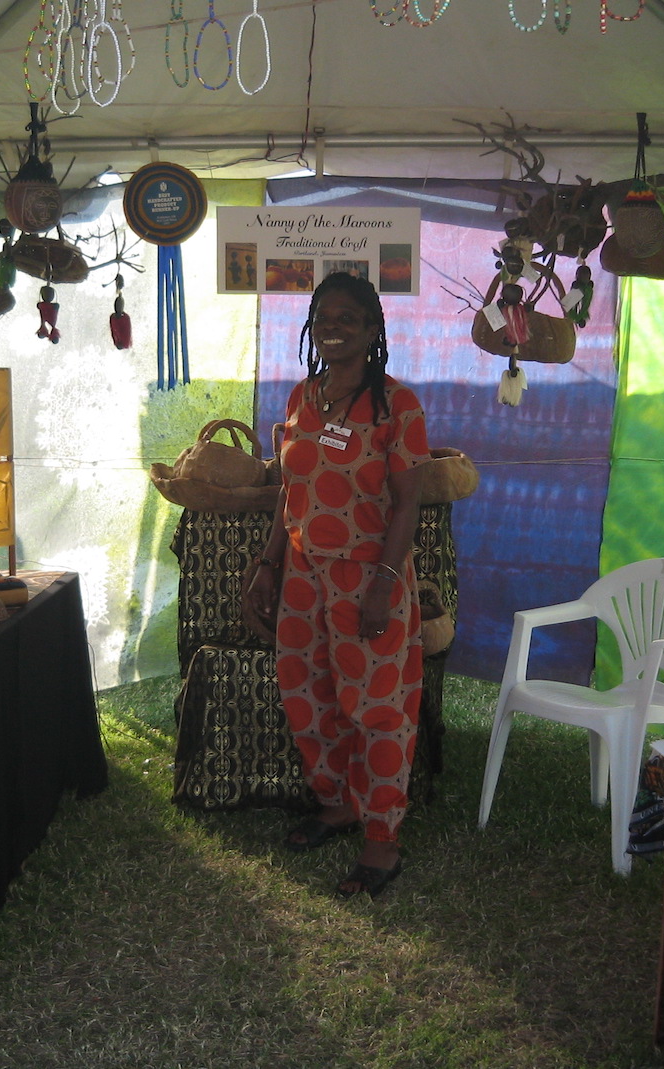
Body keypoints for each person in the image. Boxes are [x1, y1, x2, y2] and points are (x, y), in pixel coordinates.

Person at [242, 271, 430, 900]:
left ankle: (382, 837)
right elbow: (288, 492)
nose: (334, 326)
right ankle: (339, 803)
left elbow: (408, 505)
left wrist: (382, 582)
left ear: (374, 330)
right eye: (324, 316)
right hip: (301, 572)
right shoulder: (302, 396)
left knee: (375, 706)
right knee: (307, 691)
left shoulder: (396, 406)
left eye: (349, 317)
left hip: (366, 575)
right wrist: (269, 565)